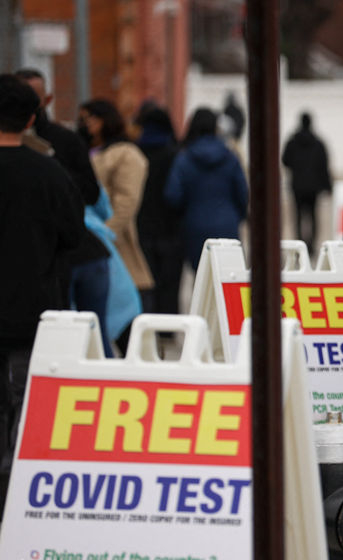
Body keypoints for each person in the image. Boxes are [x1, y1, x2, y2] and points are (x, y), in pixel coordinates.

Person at [0, 74, 84, 509]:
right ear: (32, 118)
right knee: (23, 408)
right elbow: (74, 235)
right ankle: (12, 500)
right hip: (30, 314)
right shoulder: (49, 174)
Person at [15, 68, 113, 356]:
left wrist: (53, 173)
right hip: (43, 258)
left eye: (33, 96)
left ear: (47, 98)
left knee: (90, 338)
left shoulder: (64, 141)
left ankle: (102, 390)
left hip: (78, 255)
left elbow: (91, 192)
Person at [78, 98, 153, 353]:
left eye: (91, 118)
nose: (86, 124)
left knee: (127, 328)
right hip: (88, 248)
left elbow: (126, 202)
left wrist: (104, 233)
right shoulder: (85, 149)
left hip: (114, 246)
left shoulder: (125, 153)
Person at [164, 107, 249, 271]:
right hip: (228, 224)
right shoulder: (230, 157)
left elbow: (172, 195)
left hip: (195, 225)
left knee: (202, 279)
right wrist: (238, 215)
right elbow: (242, 192)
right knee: (228, 277)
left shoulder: (184, 158)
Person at [134, 102, 182, 316]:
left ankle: (148, 321)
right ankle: (168, 324)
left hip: (142, 224)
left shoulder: (136, 152)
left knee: (147, 278)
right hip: (171, 227)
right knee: (170, 280)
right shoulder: (176, 153)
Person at [282, 112, 331, 251]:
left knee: (297, 216)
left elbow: (285, 161)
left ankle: (299, 243)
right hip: (313, 187)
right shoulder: (318, 143)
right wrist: (327, 186)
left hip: (297, 186)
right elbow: (324, 165)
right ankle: (311, 246)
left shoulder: (292, 142)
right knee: (313, 216)